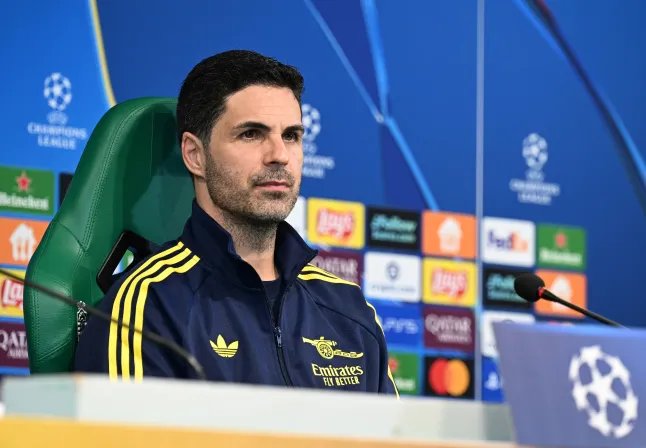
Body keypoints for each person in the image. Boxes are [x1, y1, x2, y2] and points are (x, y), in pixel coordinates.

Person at [74, 50, 398, 396]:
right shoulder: (149, 307)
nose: (279, 155)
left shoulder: (349, 309)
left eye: (291, 135)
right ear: (195, 155)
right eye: (251, 134)